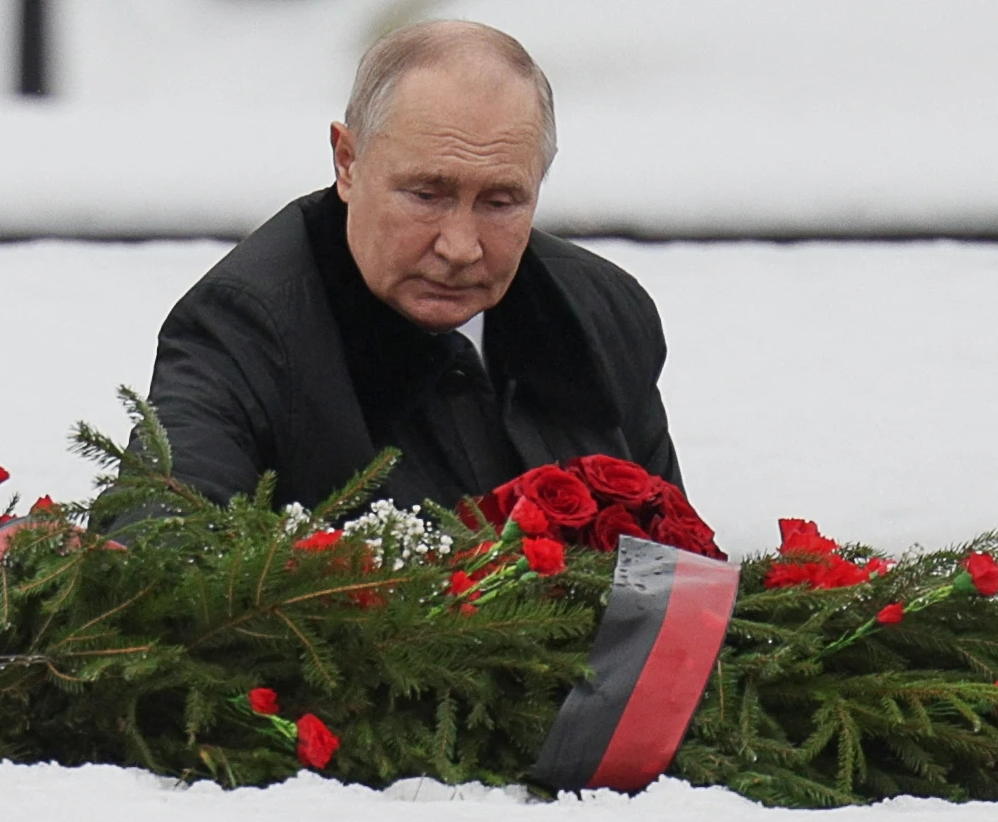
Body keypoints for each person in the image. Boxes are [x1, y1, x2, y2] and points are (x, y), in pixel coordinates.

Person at [138, 20, 683, 512]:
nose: (460, 246)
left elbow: (682, 578)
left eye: (500, 203)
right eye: (426, 195)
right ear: (347, 162)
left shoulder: (601, 310)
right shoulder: (242, 330)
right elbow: (160, 557)